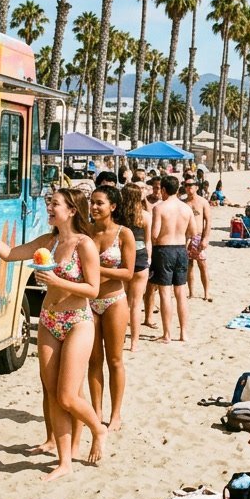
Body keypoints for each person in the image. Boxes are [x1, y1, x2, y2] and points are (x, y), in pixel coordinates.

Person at [0, 189, 106, 481]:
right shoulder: (48, 242)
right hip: (48, 320)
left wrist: (57, 280)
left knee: (68, 396)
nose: (49, 208)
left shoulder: (85, 245)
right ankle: (64, 461)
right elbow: (8, 253)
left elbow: (93, 290)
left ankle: (98, 428)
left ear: (71, 210)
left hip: (78, 321)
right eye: (49, 204)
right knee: (52, 394)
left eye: (54, 204)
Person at [85, 185, 134, 433]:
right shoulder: (86, 232)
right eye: (92, 202)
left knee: (115, 360)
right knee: (93, 360)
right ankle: (96, 411)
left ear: (112, 207)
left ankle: (115, 414)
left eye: (99, 203)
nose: (93, 207)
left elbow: (128, 272)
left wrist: (96, 268)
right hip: (89, 301)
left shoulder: (124, 234)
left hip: (114, 300)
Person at [150, 175, 194, 343]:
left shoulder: (159, 208)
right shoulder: (186, 208)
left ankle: (167, 334)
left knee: (165, 293)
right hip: (181, 249)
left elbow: (154, 234)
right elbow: (194, 231)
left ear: (163, 190)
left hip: (164, 249)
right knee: (181, 292)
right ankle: (183, 333)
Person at [120, 183, 151, 352]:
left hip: (123, 258)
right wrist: (149, 259)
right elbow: (148, 241)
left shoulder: (117, 216)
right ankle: (134, 343)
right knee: (136, 303)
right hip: (140, 257)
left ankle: (121, 338)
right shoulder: (145, 216)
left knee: (122, 302)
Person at [181, 178, 212, 303]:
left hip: (198, 236)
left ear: (196, 187)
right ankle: (191, 292)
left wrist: (205, 238)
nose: (189, 187)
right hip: (186, 237)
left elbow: (208, 221)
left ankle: (206, 292)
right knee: (189, 265)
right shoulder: (183, 202)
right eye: (186, 185)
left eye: (191, 185)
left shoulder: (203, 202)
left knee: (202, 264)